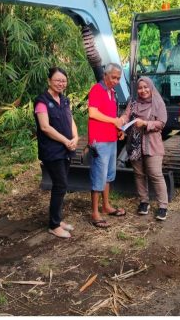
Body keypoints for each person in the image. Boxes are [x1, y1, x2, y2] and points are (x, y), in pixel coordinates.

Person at [34, 67, 78, 239]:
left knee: (62, 185)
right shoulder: (42, 101)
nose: (61, 83)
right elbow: (45, 127)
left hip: (66, 148)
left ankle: (58, 220)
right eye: (58, 80)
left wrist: (75, 137)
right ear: (49, 81)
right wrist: (65, 141)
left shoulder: (65, 100)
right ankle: (54, 225)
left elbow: (71, 120)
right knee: (60, 185)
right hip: (52, 151)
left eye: (64, 81)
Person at [120, 77, 169, 221]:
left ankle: (163, 206)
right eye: (140, 88)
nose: (143, 90)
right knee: (139, 174)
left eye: (146, 87)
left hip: (152, 144)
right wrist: (121, 122)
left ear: (151, 87)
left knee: (155, 174)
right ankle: (144, 202)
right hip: (134, 144)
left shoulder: (158, 102)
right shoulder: (133, 103)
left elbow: (161, 123)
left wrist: (146, 123)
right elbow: (125, 115)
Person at [87, 63, 127, 228]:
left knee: (109, 175)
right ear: (105, 75)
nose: (116, 81)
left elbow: (110, 115)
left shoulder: (112, 92)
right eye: (114, 77)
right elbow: (93, 113)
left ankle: (106, 205)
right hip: (100, 140)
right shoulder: (97, 89)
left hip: (110, 138)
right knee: (99, 175)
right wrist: (114, 121)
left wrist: (118, 129)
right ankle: (95, 212)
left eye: (118, 78)